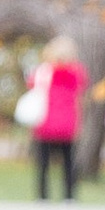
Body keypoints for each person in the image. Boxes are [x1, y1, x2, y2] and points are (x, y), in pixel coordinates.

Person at [25, 32, 87, 200]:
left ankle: (42, 196)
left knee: (43, 164)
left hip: (45, 124)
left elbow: (32, 85)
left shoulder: (43, 72)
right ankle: (69, 196)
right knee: (68, 162)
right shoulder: (76, 73)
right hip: (68, 125)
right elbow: (81, 92)